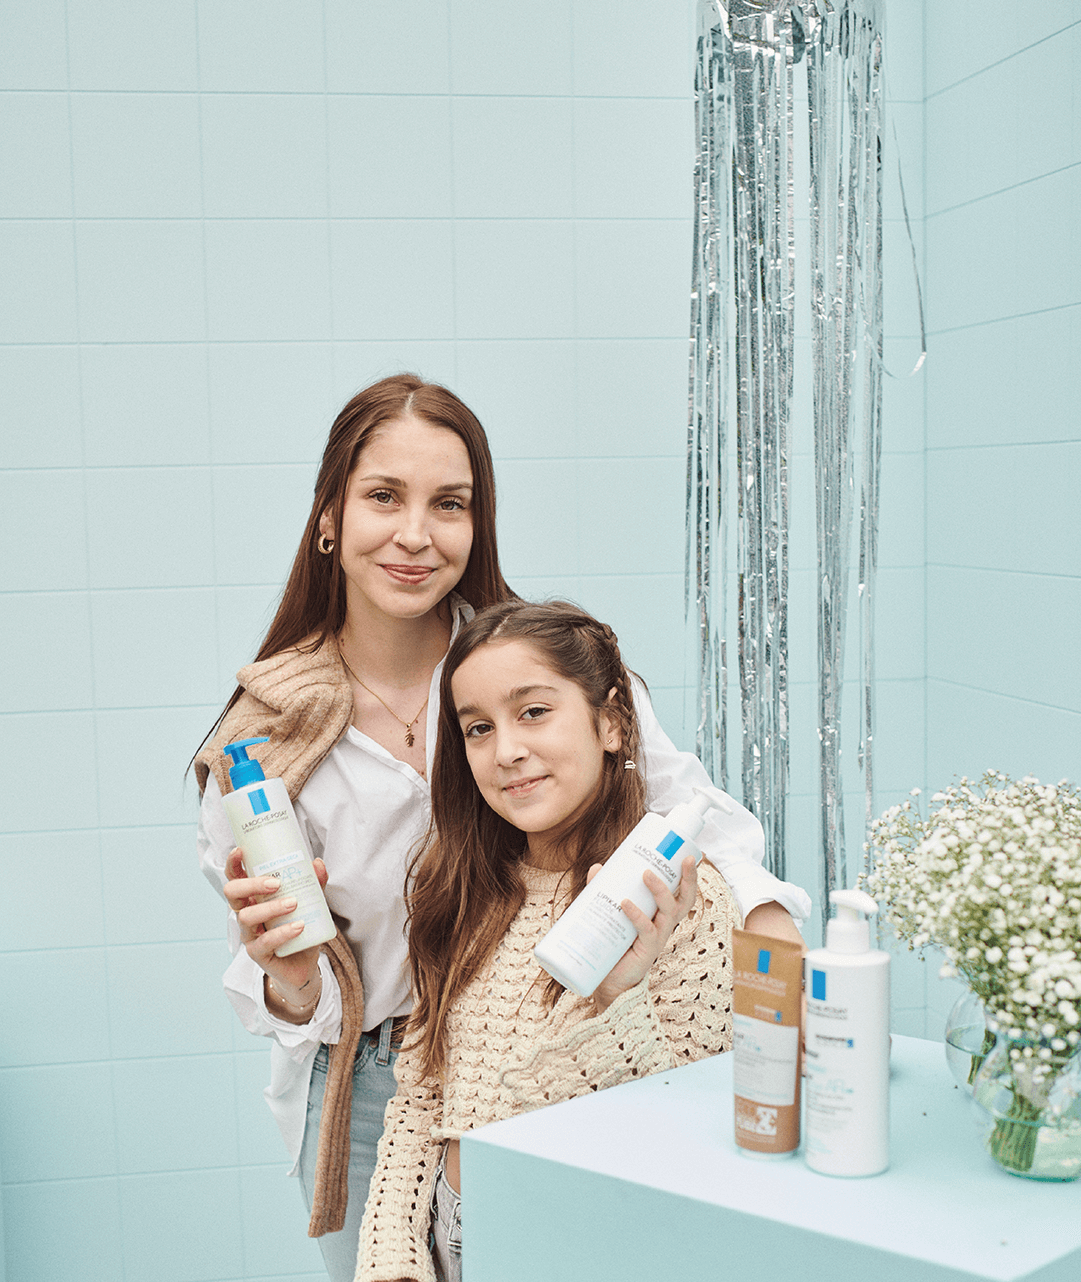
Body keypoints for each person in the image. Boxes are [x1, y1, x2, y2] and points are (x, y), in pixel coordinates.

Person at [195, 374, 810, 1282]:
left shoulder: (537, 664)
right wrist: (287, 981)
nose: (415, 534)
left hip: (564, 1049)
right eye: (382, 497)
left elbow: (687, 812)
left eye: (449, 504)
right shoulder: (264, 738)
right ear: (329, 516)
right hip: (370, 1086)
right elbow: (285, 991)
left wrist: (768, 927)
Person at [358, 599, 751, 1282]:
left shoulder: (682, 901)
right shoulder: (464, 894)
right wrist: (392, 1259)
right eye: (478, 728)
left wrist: (616, 998)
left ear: (612, 723)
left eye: (534, 711)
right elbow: (421, 1100)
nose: (506, 751)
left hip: (580, 1242)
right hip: (449, 1233)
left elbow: (689, 1138)